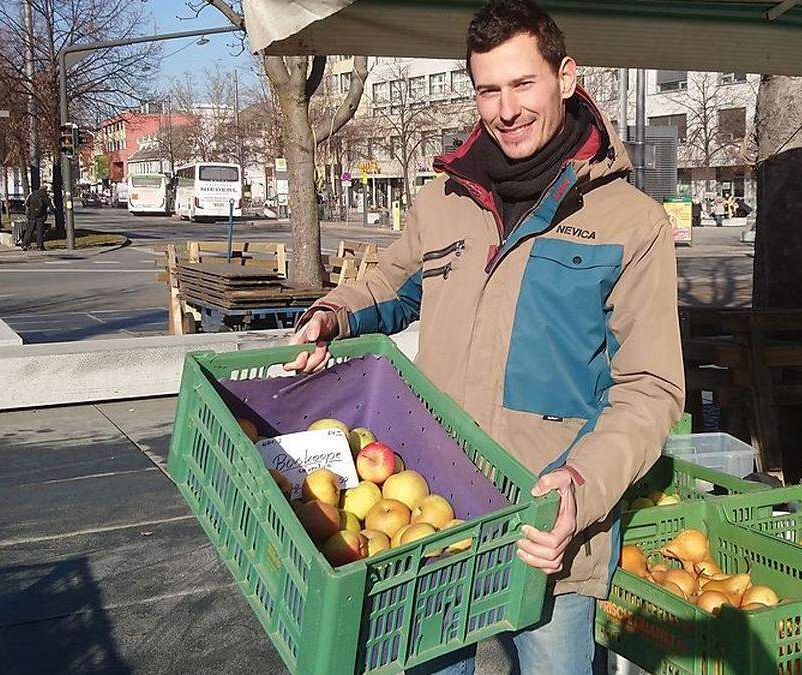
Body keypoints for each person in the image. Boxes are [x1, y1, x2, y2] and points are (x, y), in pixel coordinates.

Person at [285, 1, 684, 672]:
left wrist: (580, 489)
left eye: (523, 84)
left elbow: (650, 387)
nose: (506, 109)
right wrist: (335, 312)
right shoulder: (444, 198)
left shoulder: (630, 222)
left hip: (548, 528)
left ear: (565, 75)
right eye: (488, 89)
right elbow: (391, 281)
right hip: (434, 518)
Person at [21, 183, 51, 251]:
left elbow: (27, 203)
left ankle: (25, 245)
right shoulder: (45, 195)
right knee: (39, 231)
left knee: (29, 231)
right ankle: (40, 246)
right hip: (40, 216)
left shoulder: (32, 194)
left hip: (31, 215)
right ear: (45, 189)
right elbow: (49, 204)